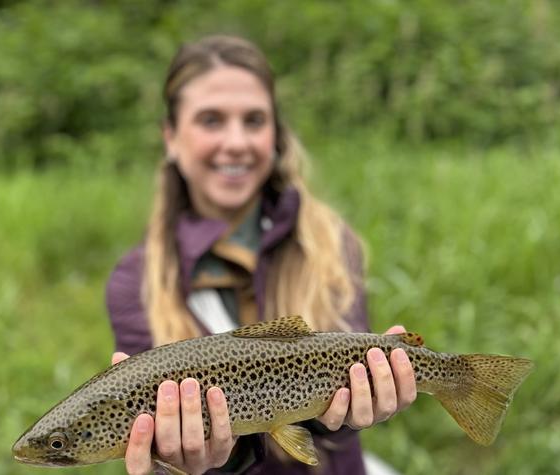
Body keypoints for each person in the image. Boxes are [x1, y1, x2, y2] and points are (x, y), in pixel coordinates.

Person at [105, 35, 416, 475]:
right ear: (171, 137)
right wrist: (208, 461)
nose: (235, 142)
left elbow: (344, 406)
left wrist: (342, 418)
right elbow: (158, 438)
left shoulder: (329, 242)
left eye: (254, 120)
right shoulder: (134, 281)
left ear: (276, 136)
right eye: (211, 120)